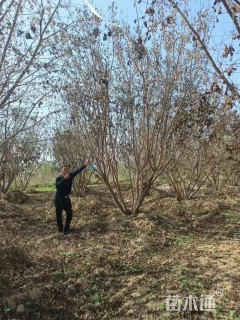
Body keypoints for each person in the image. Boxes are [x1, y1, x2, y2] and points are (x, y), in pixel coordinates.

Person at [55, 160, 90, 234]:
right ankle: (60, 230)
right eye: (64, 169)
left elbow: (77, 171)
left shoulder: (70, 176)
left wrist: (85, 165)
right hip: (59, 199)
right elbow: (58, 186)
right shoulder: (59, 178)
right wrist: (64, 179)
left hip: (67, 198)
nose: (66, 170)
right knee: (59, 215)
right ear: (62, 171)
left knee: (70, 213)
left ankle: (67, 228)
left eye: (67, 169)